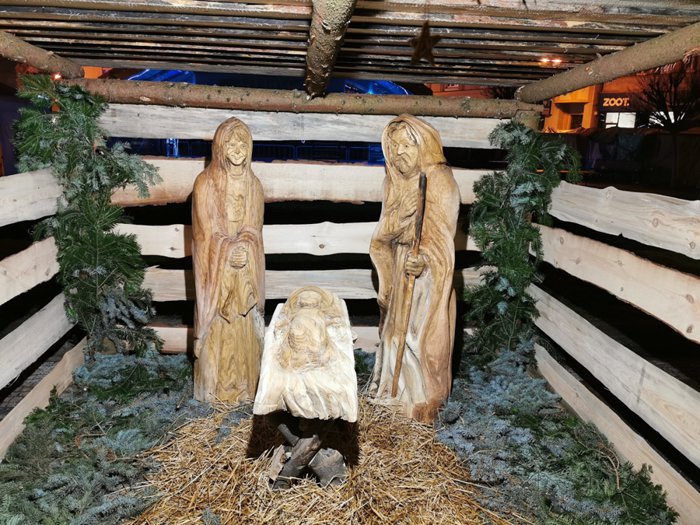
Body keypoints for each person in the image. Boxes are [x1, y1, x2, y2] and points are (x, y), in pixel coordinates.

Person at [370, 114, 460, 422]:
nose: (399, 153)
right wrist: (399, 220)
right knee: (394, 335)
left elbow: (444, 238)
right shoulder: (393, 183)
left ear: (423, 145)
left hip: (428, 280)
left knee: (417, 339)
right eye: (393, 147)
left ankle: (422, 399)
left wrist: (424, 261)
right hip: (400, 269)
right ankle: (393, 394)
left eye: (407, 145)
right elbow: (382, 236)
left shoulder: (439, 179)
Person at [192, 117, 265, 403]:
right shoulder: (205, 184)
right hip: (217, 272)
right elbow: (204, 232)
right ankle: (214, 391)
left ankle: (246, 388)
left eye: (242, 144)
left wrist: (245, 246)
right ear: (219, 147)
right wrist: (226, 250)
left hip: (244, 269)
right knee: (220, 326)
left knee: (243, 325)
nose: (237, 150)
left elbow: (254, 228)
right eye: (231, 144)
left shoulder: (254, 185)